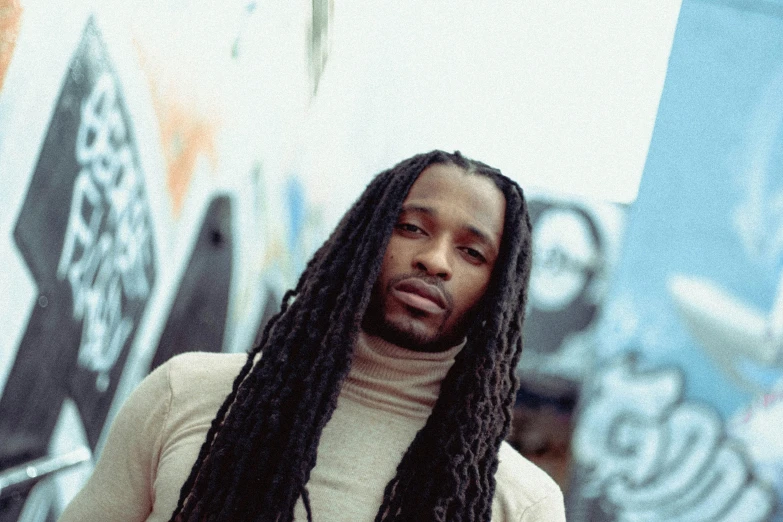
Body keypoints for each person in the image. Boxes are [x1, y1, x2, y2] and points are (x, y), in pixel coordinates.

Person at [59, 150, 566, 521]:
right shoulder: (185, 394)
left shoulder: (519, 503)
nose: (434, 260)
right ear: (363, 239)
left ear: (498, 294)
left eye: (472, 253)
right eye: (412, 227)